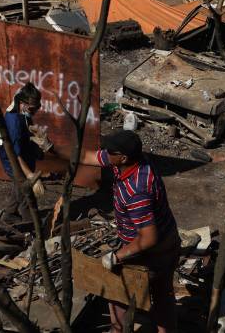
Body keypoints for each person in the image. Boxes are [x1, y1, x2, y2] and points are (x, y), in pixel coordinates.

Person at [86, 130, 180, 333]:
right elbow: (88, 157)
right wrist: (51, 148)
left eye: (110, 151)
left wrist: (117, 256)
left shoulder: (136, 191)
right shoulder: (134, 161)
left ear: (123, 157)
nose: (105, 153)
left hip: (154, 250)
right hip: (167, 238)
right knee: (163, 294)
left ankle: (119, 330)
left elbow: (148, 238)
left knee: (118, 292)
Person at [0, 83, 46, 226]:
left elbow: (25, 126)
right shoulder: (14, 123)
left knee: (18, 187)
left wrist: (32, 131)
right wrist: (30, 175)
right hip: (13, 160)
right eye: (32, 108)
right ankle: (30, 221)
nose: (35, 111)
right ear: (22, 103)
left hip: (23, 155)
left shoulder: (21, 111)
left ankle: (10, 214)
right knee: (25, 188)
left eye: (38, 107)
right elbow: (15, 154)